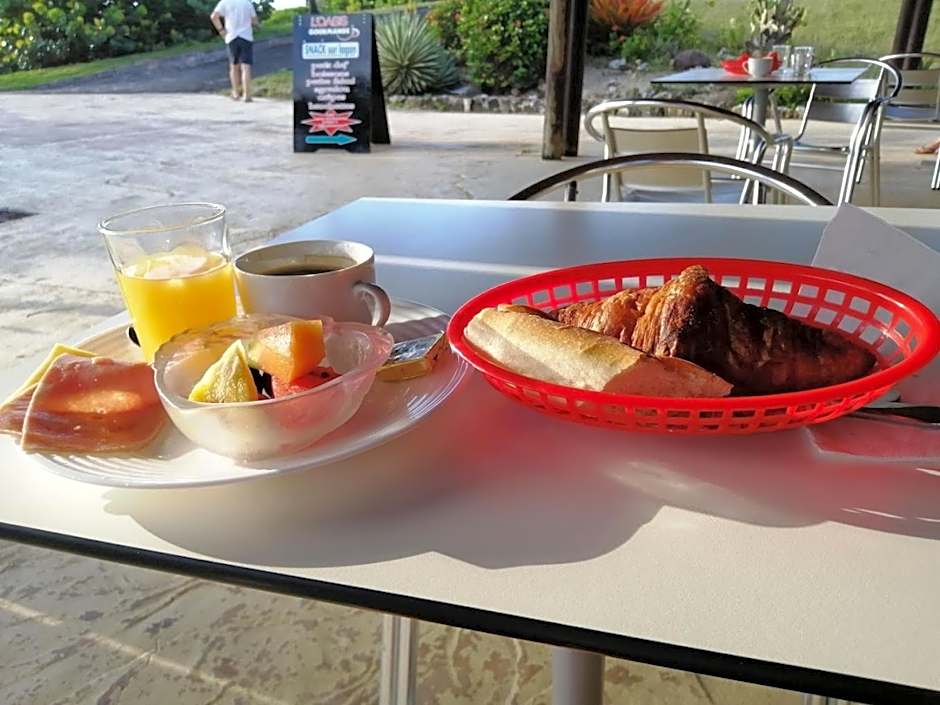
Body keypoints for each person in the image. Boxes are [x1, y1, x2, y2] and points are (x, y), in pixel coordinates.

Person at [210, 0, 259, 102]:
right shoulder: (247, 3)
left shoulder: (225, 2)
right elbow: (254, 20)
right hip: (246, 37)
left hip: (231, 37)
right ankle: (247, 95)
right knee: (246, 67)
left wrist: (221, 30)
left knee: (234, 66)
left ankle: (236, 93)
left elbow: (214, 16)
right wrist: (257, 26)